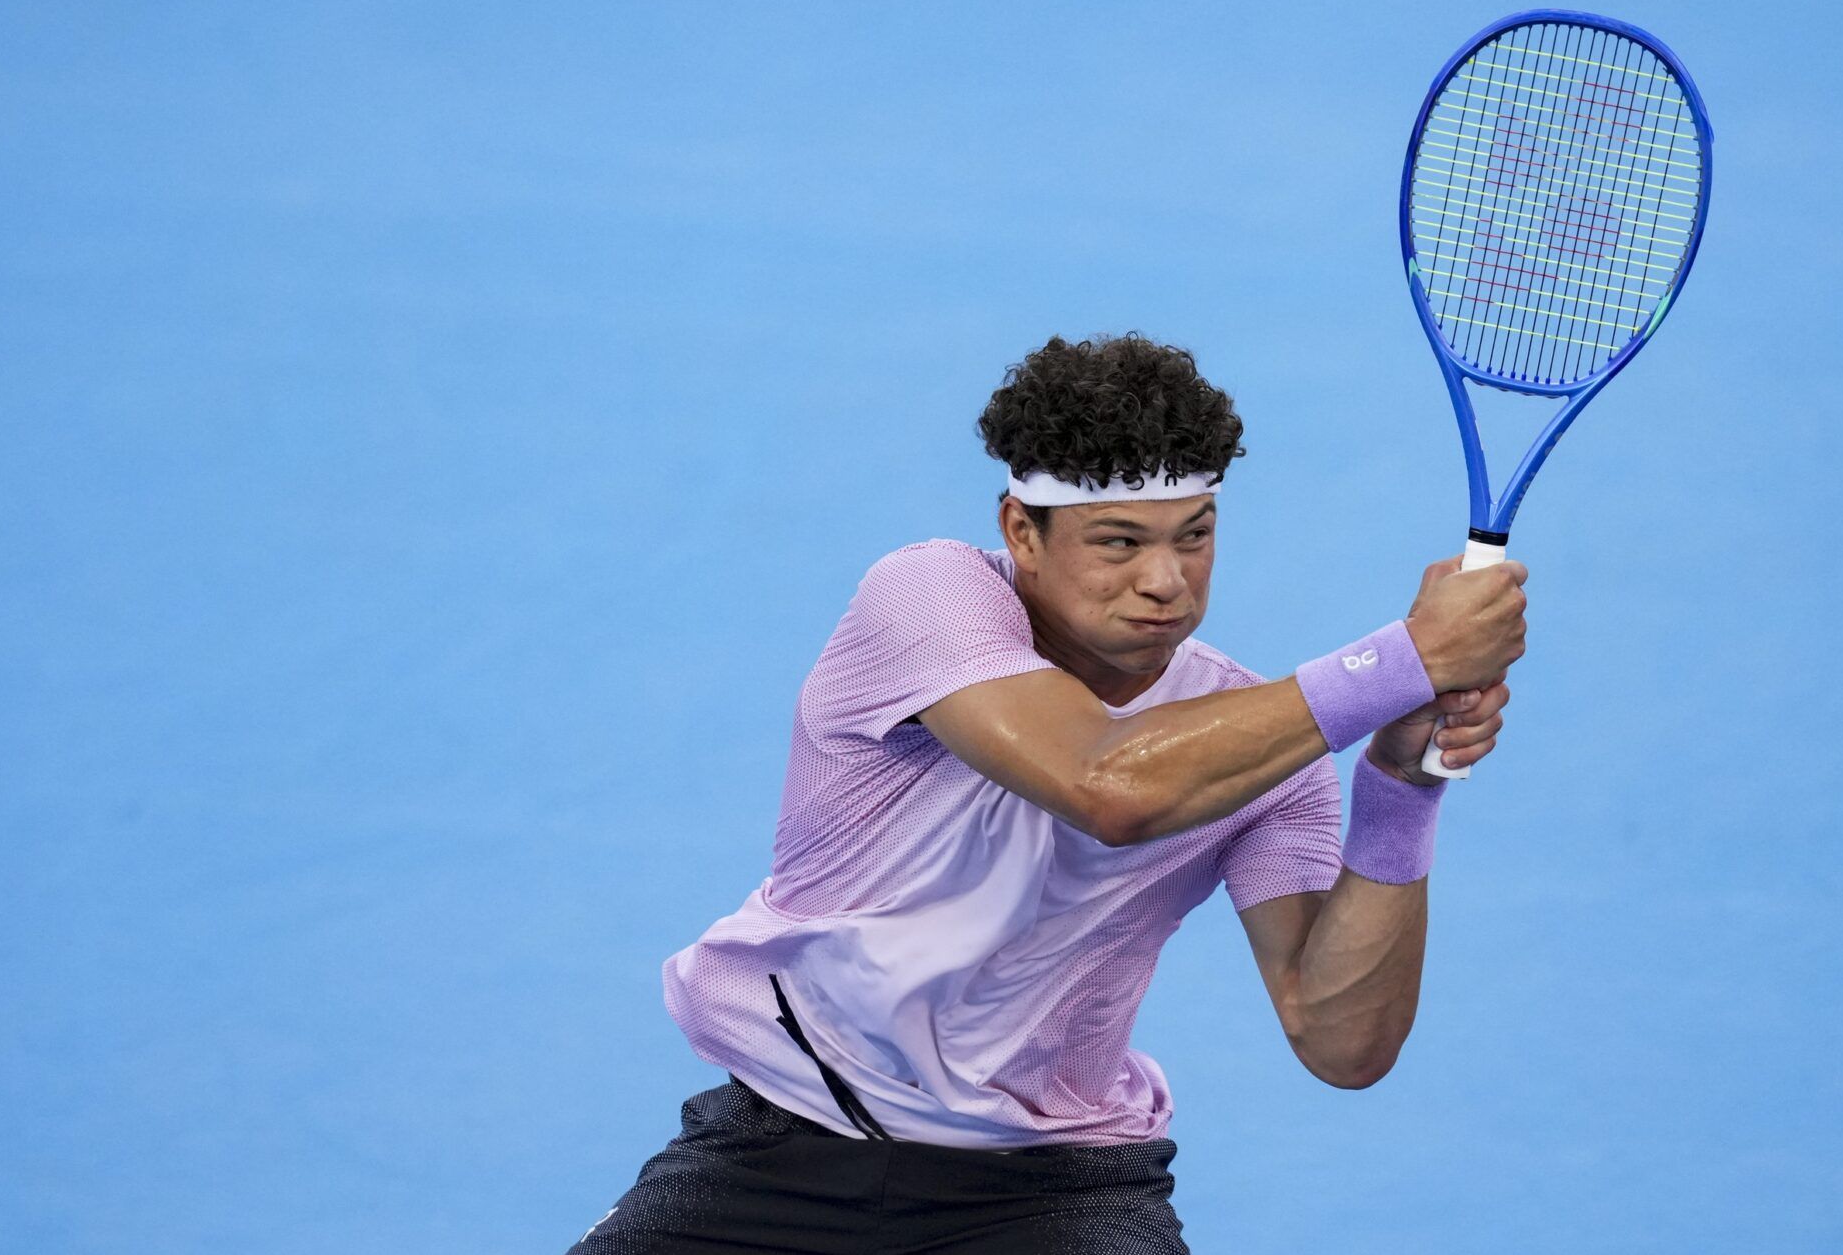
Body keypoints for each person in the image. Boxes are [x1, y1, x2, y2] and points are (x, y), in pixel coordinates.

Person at [569, 333, 1527, 1253]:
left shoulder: (1260, 752)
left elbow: (1343, 1042)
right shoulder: (925, 597)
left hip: (1055, 1187)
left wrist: (1400, 784)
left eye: (1194, 537)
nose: (1166, 582)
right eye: (1118, 542)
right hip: (783, 1139)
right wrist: (1404, 660)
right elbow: (1105, 784)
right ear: (1019, 530)